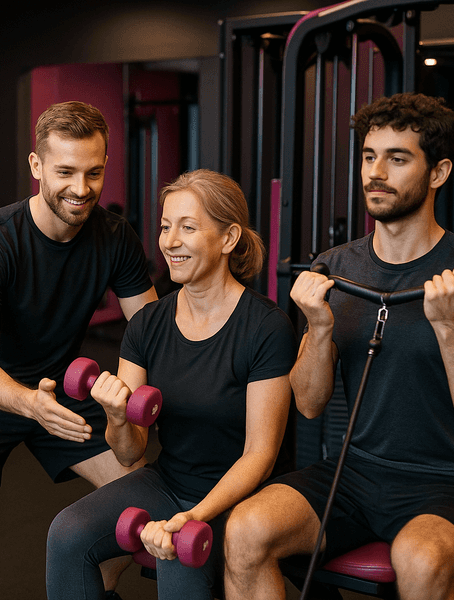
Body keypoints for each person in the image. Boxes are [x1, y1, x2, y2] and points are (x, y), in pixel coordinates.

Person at [223, 92, 454, 600]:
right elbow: (310, 405)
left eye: (397, 159)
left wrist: (450, 326)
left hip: (453, 482)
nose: (375, 172)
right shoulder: (337, 268)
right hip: (353, 472)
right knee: (246, 529)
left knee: (419, 560)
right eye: (368, 156)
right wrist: (317, 326)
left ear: (438, 172)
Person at [0, 101, 158, 600]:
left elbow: (151, 331)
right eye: (65, 172)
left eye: (94, 172)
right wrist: (28, 401)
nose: (81, 188)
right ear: (36, 167)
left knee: (139, 500)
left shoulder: (115, 238)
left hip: (66, 391)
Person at [45, 169, 296, 599]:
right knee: (67, 533)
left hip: (239, 496)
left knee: (177, 561)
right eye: (165, 227)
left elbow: (260, 455)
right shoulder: (147, 324)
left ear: (229, 237)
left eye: (188, 227)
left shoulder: (266, 327)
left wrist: (192, 517)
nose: (170, 241)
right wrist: (116, 414)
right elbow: (130, 451)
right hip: (170, 483)